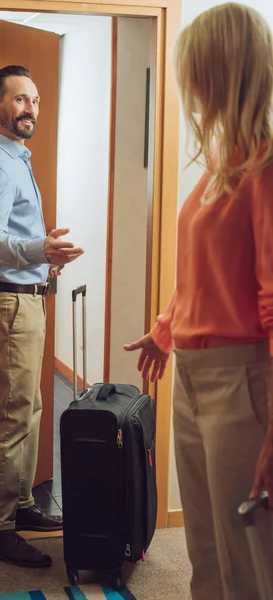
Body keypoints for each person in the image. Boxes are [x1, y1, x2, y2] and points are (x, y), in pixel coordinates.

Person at [124, 4, 273, 599]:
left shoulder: (263, 167)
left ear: (221, 68)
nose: (188, 85)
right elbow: (197, 274)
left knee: (247, 555)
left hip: (244, 380)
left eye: (194, 69)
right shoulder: (217, 164)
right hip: (195, 375)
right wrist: (165, 330)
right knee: (205, 550)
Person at [0, 65, 84, 568]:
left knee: (28, 408)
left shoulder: (16, 159)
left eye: (35, 100)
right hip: (8, 302)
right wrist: (39, 247)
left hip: (25, 298)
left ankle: (22, 504)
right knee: (12, 415)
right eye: (20, 100)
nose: (31, 108)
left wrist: (43, 254)